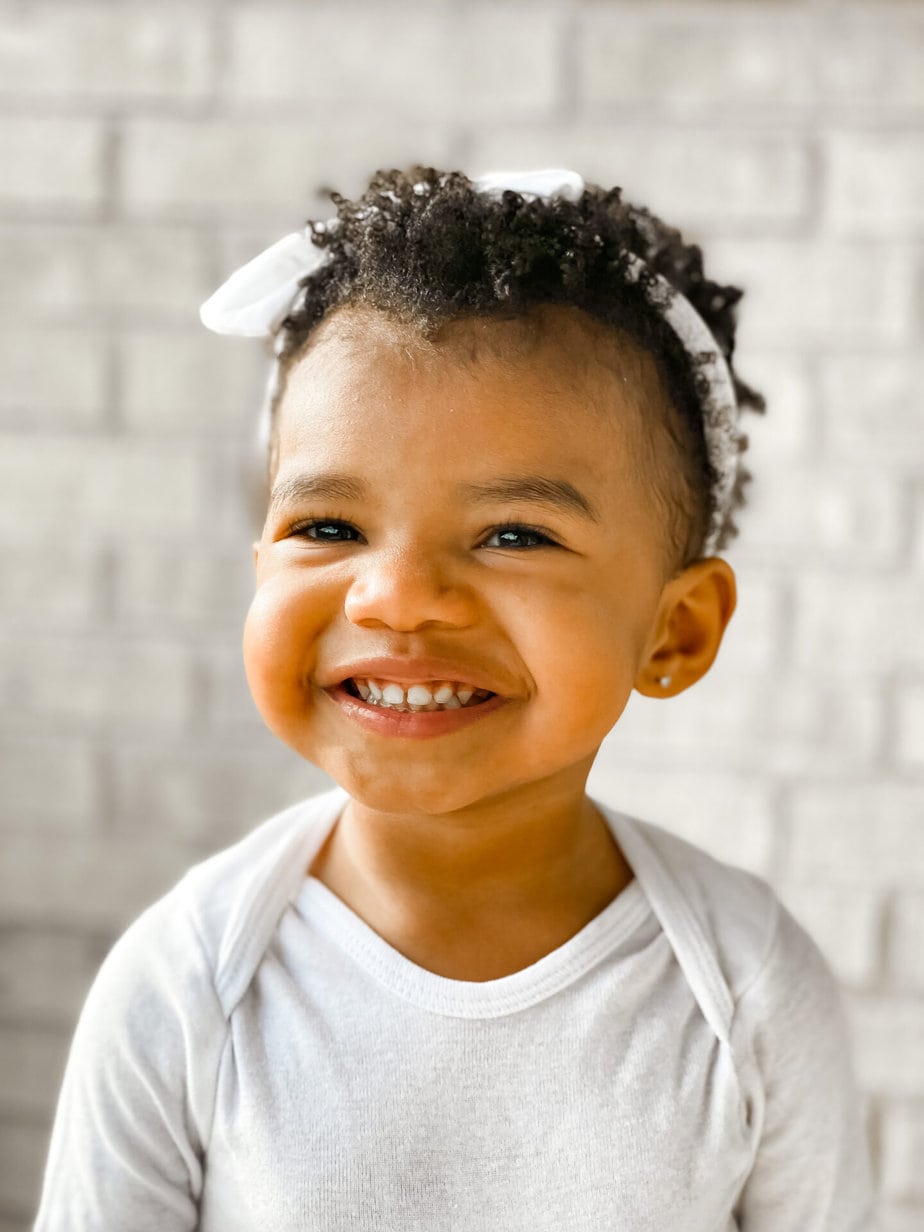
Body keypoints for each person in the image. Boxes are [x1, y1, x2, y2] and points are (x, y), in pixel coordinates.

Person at [33, 166, 876, 1230]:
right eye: (328, 526)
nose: (395, 597)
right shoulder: (188, 982)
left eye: (514, 533)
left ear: (676, 629)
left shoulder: (744, 988)